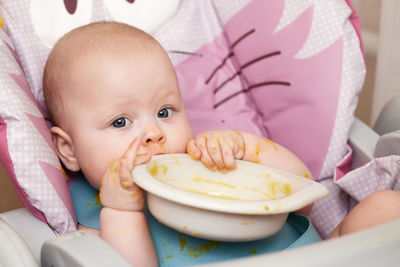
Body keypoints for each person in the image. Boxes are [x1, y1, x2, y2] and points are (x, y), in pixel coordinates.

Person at [43, 21, 400, 266]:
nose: (154, 133)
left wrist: (246, 148)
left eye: (165, 112)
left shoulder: (203, 160)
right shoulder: (94, 208)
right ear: (68, 150)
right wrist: (122, 212)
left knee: (384, 207)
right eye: (120, 122)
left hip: (323, 257)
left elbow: (302, 197)